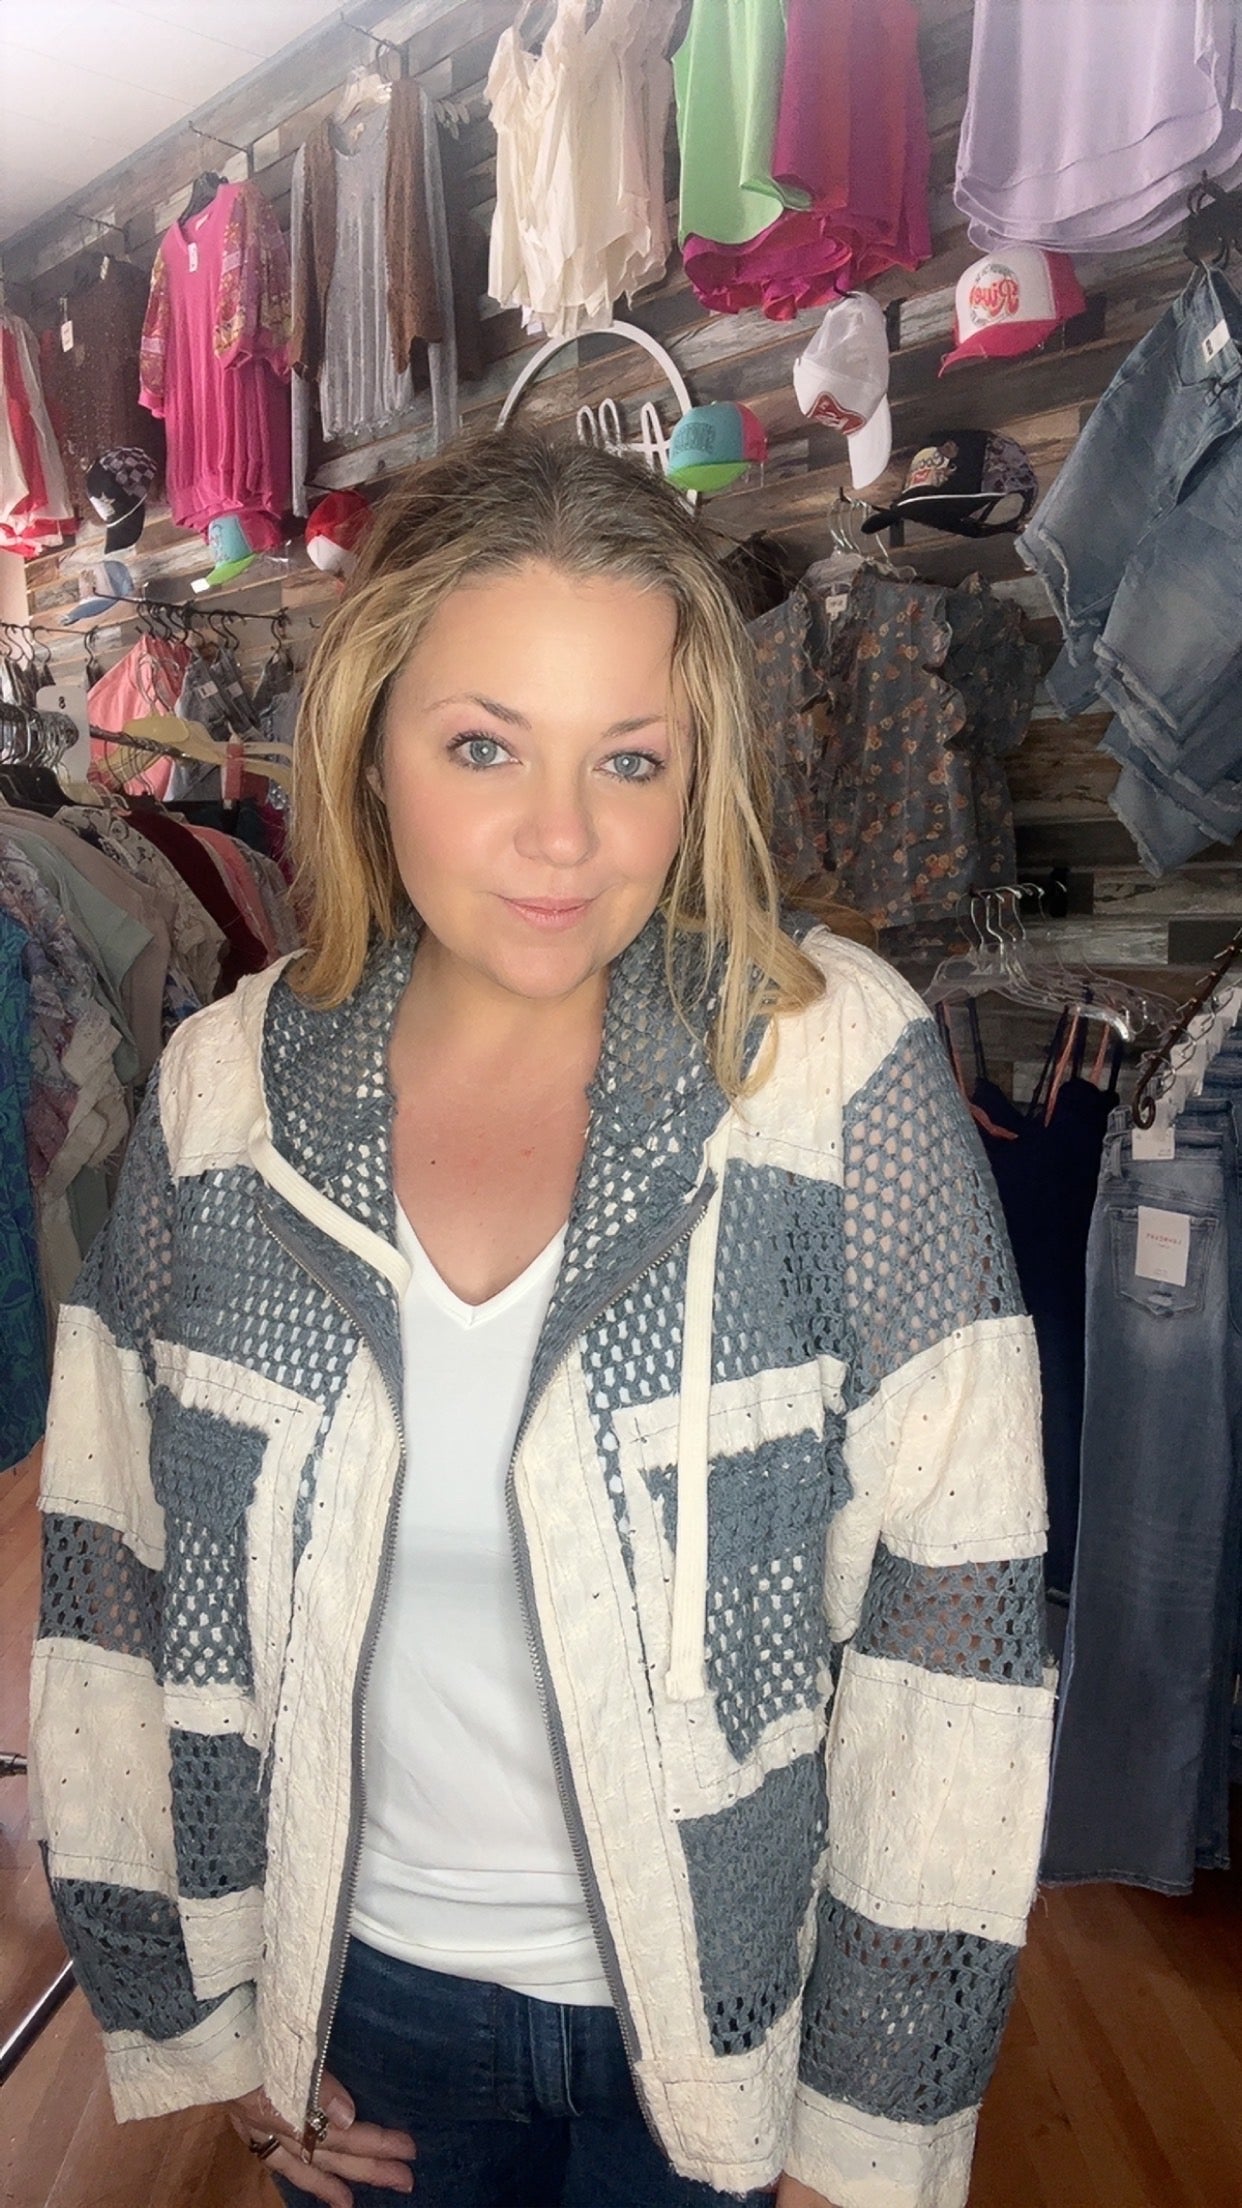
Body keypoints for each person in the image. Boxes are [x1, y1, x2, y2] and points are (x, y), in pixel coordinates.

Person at [28, 430, 1053, 2208]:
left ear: (696, 771)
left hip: (730, 2035)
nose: (562, 836)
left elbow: (949, 1623)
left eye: (628, 758)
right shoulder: (227, 1097)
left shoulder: (825, 1071)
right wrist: (213, 2022)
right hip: (369, 2015)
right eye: (484, 745)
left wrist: (865, 2129)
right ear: (370, 748)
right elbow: (113, 1563)